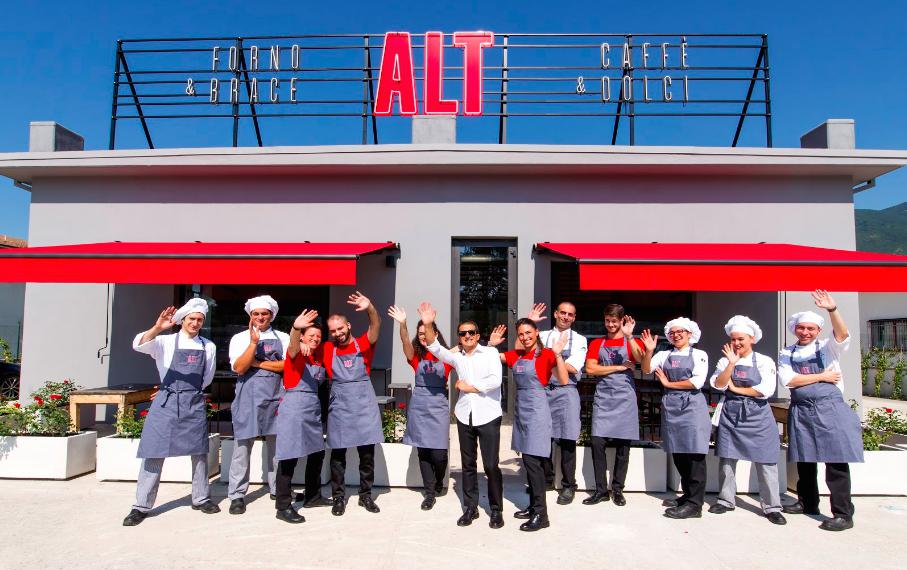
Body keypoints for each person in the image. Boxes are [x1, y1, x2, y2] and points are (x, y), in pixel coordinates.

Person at [122, 299, 219, 526]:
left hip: (193, 401)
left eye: (199, 320)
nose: (195, 323)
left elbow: (208, 376)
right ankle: (141, 505)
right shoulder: (164, 342)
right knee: (153, 452)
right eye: (191, 319)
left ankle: (201, 497)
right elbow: (138, 345)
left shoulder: (208, 346)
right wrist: (157, 327)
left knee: (199, 453)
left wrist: (189, 392)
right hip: (166, 402)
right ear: (182, 321)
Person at [779, 290, 863, 532]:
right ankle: (807, 503)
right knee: (805, 459)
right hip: (802, 409)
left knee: (835, 461)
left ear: (817, 331)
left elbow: (843, 334)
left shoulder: (828, 348)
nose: (805, 332)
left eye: (811, 329)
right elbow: (789, 380)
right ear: (795, 329)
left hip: (829, 409)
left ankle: (843, 514)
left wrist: (832, 309)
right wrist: (822, 376)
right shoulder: (788, 352)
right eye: (801, 328)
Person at [419, 302, 505, 529]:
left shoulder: (491, 352)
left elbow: (495, 381)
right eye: (462, 333)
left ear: (478, 335)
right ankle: (471, 508)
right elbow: (434, 347)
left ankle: (496, 510)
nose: (467, 336)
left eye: (471, 332)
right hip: (464, 416)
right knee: (468, 465)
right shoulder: (457, 357)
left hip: (488, 416)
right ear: (459, 337)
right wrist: (427, 324)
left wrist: (469, 387)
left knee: (490, 465)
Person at [488, 319, 569, 531]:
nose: (525, 337)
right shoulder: (517, 356)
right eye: (521, 334)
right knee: (528, 460)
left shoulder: (547, 354)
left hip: (537, 411)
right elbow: (490, 359)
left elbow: (563, 380)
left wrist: (559, 355)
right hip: (522, 411)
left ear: (537, 332)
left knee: (534, 462)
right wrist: (491, 345)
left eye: (528, 333)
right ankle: (534, 506)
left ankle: (542, 515)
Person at [709, 315, 786, 525]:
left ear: (752, 339)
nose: (736, 343)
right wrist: (731, 366)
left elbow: (766, 390)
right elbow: (718, 384)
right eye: (733, 339)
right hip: (731, 414)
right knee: (727, 459)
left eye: (741, 339)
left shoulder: (764, 361)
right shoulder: (725, 360)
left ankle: (772, 506)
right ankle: (725, 500)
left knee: (766, 460)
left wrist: (735, 388)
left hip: (757, 415)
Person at [226, 295, 290, 515]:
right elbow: (240, 367)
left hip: (275, 396)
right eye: (256, 314)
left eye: (264, 313)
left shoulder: (283, 337)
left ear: (272, 315)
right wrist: (253, 344)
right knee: (242, 448)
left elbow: (287, 367)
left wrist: (258, 363)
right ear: (250, 316)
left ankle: (277, 489)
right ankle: (237, 495)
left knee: (276, 448)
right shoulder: (239, 338)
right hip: (248, 397)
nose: (260, 317)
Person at [642, 317, 710, 519]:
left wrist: (669, 384)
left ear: (690, 334)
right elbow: (646, 369)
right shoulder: (663, 354)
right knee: (678, 453)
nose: (676, 335)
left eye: (681, 331)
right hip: (672, 408)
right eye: (672, 332)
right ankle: (688, 495)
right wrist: (648, 351)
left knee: (695, 455)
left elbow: (696, 382)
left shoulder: (699, 354)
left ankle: (695, 505)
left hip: (692, 407)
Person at [388, 305, 453, 511]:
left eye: (427, 332)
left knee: (439, 454)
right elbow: (405, 342)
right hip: (420, 406)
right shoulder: (416, 358)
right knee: (424, 451)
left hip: (439, 406)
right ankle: (430, 492)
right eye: (421, 333)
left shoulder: (446, 356)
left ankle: (439, 479)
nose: (423, 336)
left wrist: (427, 322)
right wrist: (403, 324)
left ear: (435, 333)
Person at [324, 291, 383, 516]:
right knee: (338, 456)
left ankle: (365, 495)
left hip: (363, 406)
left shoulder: (363, 344)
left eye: (340, 328)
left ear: (348, 326)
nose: (337, 333)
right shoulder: (328, 349)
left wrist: (370, 308)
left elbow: (376, 324)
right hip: (340, 406)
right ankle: (338, 497)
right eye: (333, 330)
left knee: (366, 455)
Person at [525, 302, 588, 505]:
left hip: (566, 391)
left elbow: (572, 367)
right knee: (543, 438)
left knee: (568, 439)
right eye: (563, 313)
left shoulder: (579, 340)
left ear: (574, 318)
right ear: (555, 314)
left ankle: (569, 485)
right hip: (543, 392)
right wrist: (530, 322)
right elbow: (522, 352)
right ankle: (547, 479)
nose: (566, 317)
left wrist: (545, 360)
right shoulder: (540, 335)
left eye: (570, 314)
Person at [273, 309, 332, 524]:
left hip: (312, 410)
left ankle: (312, 495)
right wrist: (296, 329)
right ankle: (282, 505)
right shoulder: (296, 353)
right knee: (289, 457)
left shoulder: (317, 358)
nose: (315, 339)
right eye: (310, 336)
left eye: (318, 336)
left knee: (317, 453)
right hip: (294, 409)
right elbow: (291, 347)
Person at [583, 304, 644, 507]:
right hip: (604, 398)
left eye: (614, 321)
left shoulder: (629, 342)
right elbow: (591, 369)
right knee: (597, 442)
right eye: (608, 321)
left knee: (623, 446)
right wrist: (619, 367)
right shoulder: (597, 343)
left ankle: (618, 489)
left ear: (621, 321)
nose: (610, 325)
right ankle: (601, 490)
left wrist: (629, 336)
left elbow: (641, 360)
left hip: (625, 398)